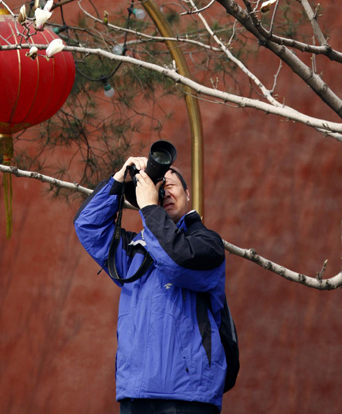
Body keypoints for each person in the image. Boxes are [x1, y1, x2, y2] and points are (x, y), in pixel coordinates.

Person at [74, 155, 227, 414]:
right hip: (135, 392)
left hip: (188, 395)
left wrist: (149, 208)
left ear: (188, 194)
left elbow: (175, 260)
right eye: (157, 187)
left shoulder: (207, 244)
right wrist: (119, 179)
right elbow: (88, 226)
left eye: (170, 185)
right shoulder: (135, 251)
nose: (163, 192)